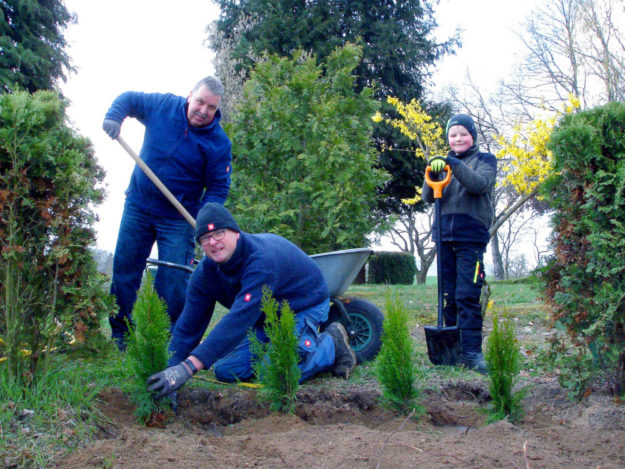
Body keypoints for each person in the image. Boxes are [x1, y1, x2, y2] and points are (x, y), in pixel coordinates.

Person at [146, 202, 357, 399]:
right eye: (205, 237)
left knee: (272, 374)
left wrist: (188, 368)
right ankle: (280, 346)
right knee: (226, 371)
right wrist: (171, 372)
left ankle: (331, 342)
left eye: (219, 233)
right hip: (264, 316)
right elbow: (188, 327)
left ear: (236, 233)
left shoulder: (260, 261)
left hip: (302, 305)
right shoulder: (204, 275)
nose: (213, 242)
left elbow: (239, 319)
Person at [102, 76, 232, 350]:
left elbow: (219, 187)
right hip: (138, 205)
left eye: (211, 107)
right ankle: (121, 336)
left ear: (216, 109)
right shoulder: (162, 106)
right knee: (125, 270)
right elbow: (129, 99)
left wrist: (204, 216)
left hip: (178, 218)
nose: (203, 110)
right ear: (189, 96)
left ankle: (162, 339)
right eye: (200, 102)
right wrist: (115, 117)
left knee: (173, 280)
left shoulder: (218, 144)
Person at [422, 113, 497, 374]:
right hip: (443, 236)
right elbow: (428, 197)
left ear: (472, 136)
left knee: (467, 295)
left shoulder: (485, 160)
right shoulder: (443, 163)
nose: (458, 138)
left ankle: (472, 353)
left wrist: (453, 164)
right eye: (453, 135)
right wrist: (433, 170)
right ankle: (450, 353)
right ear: (448, 138)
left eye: (463, 133)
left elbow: (480, 185)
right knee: (449, 296)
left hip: (471, 237)